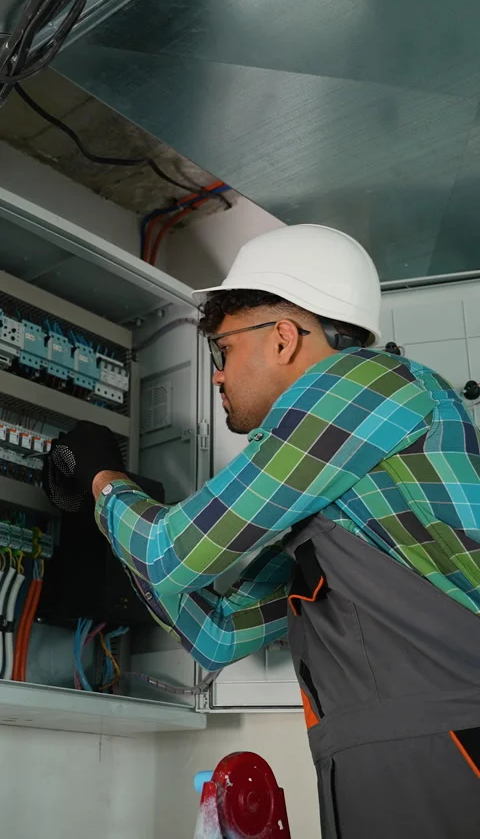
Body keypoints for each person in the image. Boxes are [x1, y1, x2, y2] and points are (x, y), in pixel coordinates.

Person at [44, 225, 480, 838]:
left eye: (221, 351)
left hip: (444, 748)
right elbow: (219, 635)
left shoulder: (369, 384)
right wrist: (118, 520)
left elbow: (170, 555)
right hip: (375, 765)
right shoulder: (337, 509)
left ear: (281, 339)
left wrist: (101, 481)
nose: (216, 376)